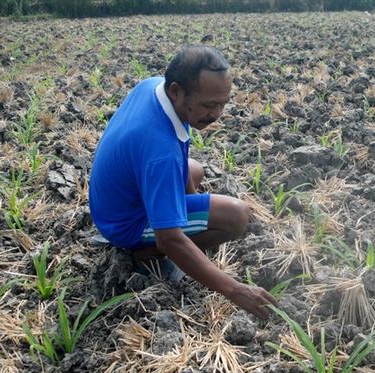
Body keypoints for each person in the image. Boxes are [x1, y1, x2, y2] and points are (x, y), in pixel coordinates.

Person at [89, 44, 276, 319]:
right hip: (126, 223)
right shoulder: (159, 150)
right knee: (236, 216)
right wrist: (235, 289)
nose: (217, 115)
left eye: (223, 104)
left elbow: (178, 153)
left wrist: (187, 204)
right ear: (177, 91)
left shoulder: (152, 88)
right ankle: (143, 253)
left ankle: (171, 223)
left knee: (195, 170)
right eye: (209, 105)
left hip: (114, 199)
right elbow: (170, 239)